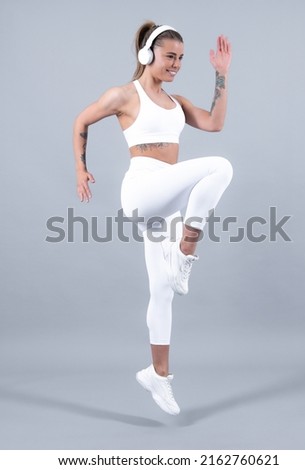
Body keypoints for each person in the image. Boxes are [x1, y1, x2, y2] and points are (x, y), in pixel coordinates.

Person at [73, 21, 233, 416]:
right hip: (143, 191)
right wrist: (80, 169)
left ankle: (158, 375)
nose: (176, 65)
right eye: (169, 57)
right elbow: (80, 122)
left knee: (162, 290)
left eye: (181, 58)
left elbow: (215, 123)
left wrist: (222, 75)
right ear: (148, 55)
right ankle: (187, 251)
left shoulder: (177, 103)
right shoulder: (123, 96)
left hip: (169, 198)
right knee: (220, 166)